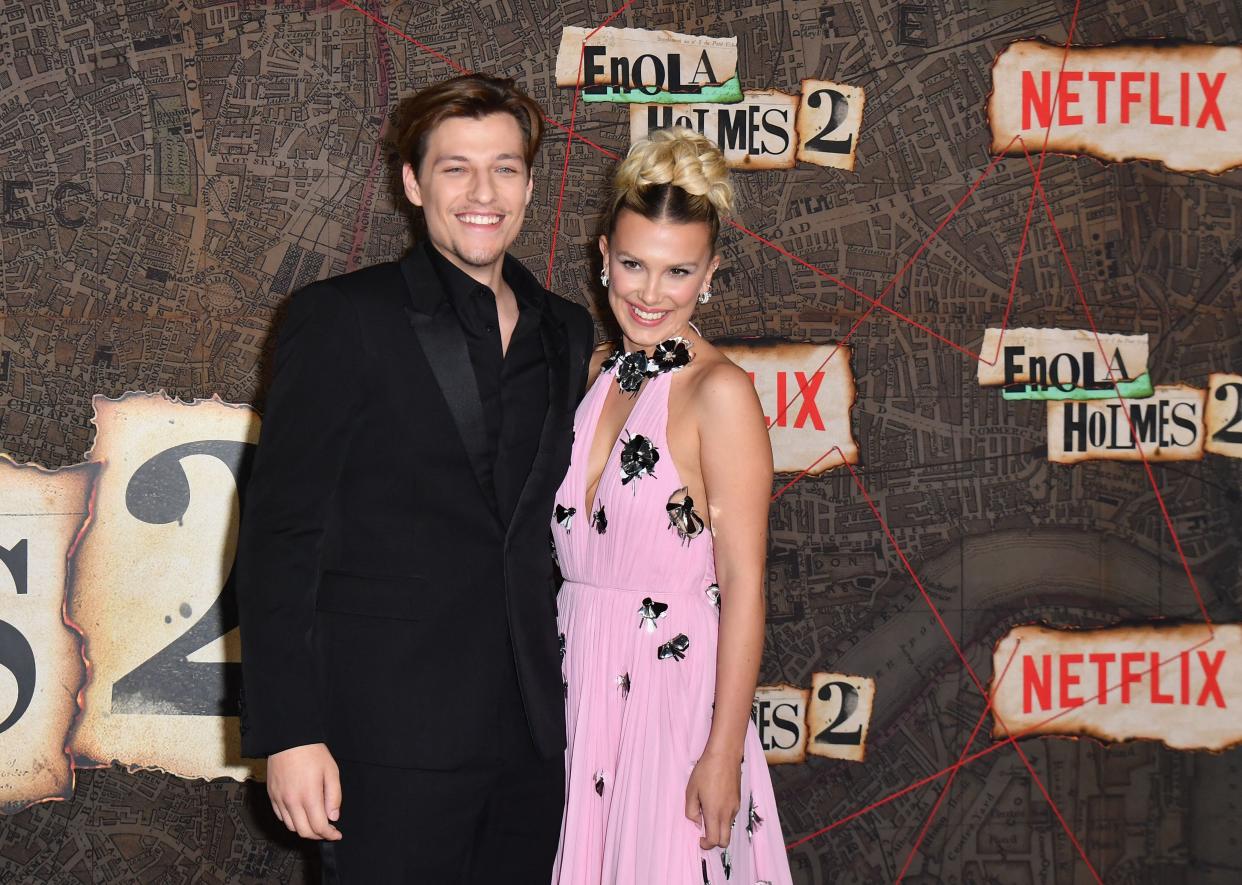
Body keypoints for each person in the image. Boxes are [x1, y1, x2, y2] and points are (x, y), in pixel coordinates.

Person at [235, 73, 595, 883]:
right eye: (454, 168)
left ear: (530, 186)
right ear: (411, 181)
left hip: (535, 737)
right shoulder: (341, 318)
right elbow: (278, 538)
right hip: (384, 735)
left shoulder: (567, 330)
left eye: (504, 167)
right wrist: (289, 731)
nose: (482, 191)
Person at [550, 128, 794, 884]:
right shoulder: (595, 373)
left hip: (668, 701)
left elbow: (745, 585)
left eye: (677, 271)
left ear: (710, 274)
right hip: (579, 684)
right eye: (633, 265)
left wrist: (721, 752)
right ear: (603, 256)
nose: (650, 294)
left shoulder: (719, 394)